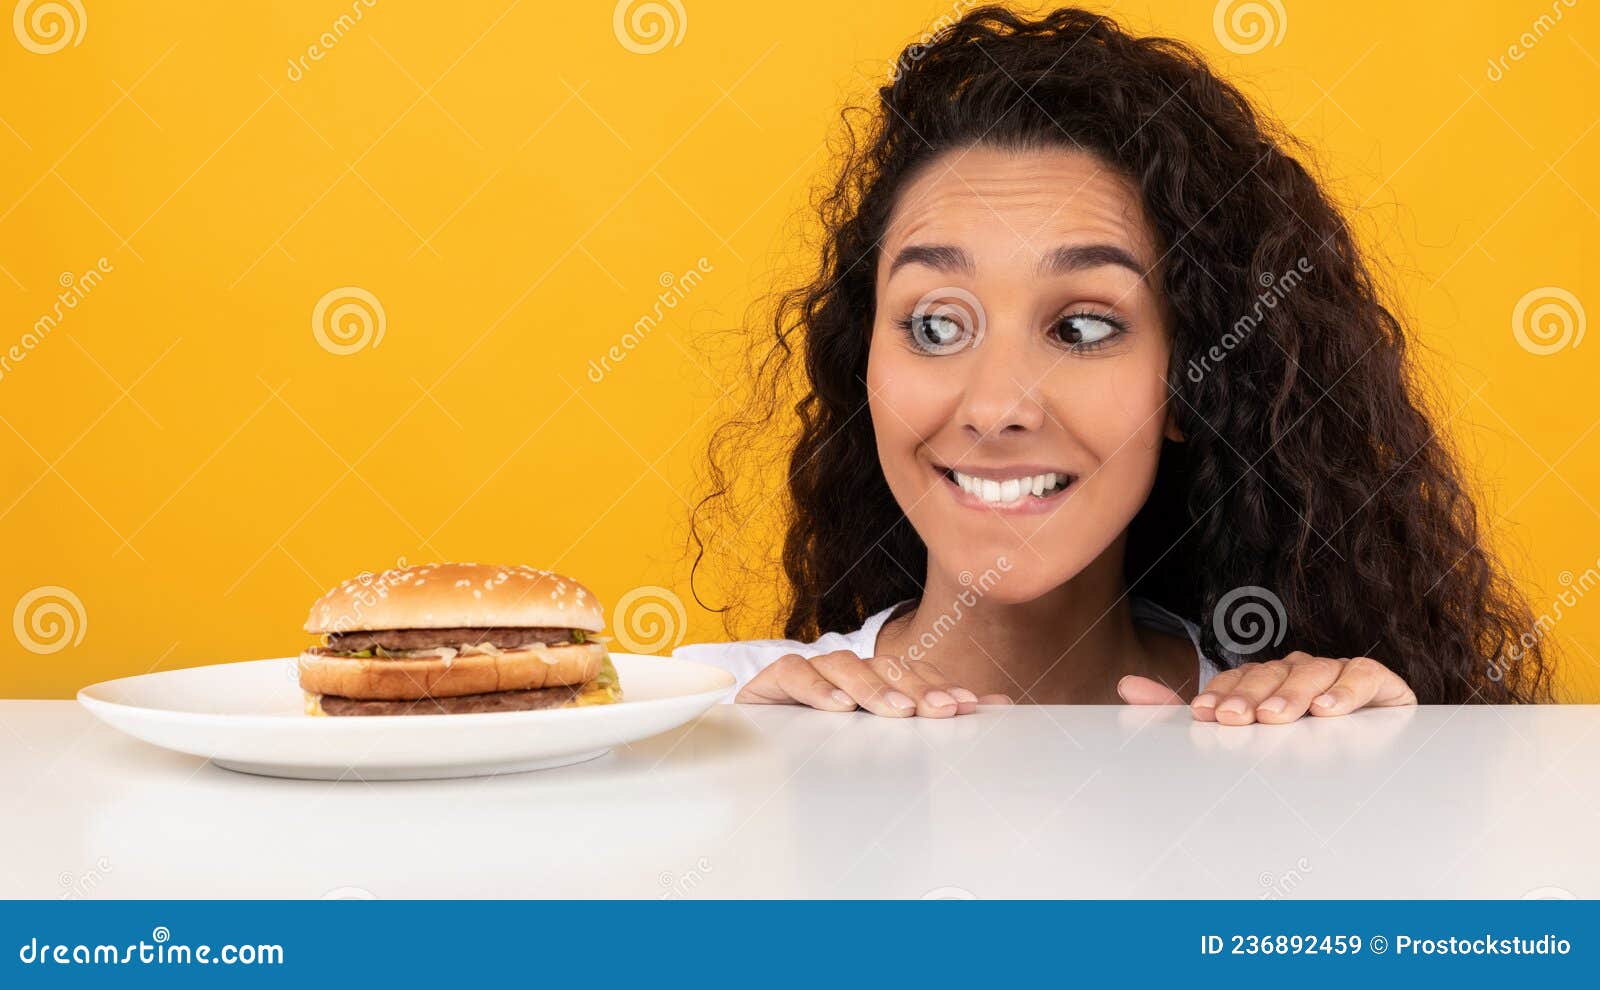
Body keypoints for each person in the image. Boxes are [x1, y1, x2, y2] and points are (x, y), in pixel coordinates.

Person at [673, 5, 1554, 724]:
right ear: (863, 363)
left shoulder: (1299, 732)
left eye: (1085, 329)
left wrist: (1398, 779)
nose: (994, 406)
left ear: (1190, 380)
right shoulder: (708, 712)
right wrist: (719, 769)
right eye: (937, 327)